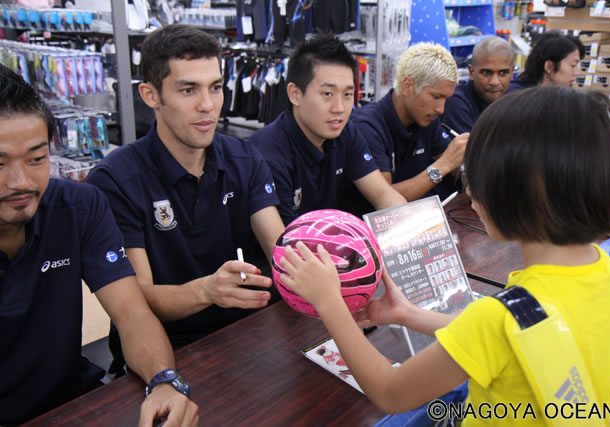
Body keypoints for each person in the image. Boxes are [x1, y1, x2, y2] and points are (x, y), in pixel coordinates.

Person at [277, 86, 610, 424]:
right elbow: (518, 339)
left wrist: (330, 303)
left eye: (477, 176)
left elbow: (390, 391)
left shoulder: (498, 317)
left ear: (518, 192)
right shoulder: (606, 272)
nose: (470, 192)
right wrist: (409, 314)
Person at [0, 65, 198, 425]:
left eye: (36, 159)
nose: (20, 181)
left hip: (75, 404)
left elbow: (132, 314)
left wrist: (164, 381)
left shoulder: (79, 207)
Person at [87, 25, 284, 370]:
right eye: (188, 90)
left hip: (247, 336)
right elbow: (136, 299)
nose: (207, 105)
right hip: (165, 352)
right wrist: (207, 290)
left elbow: (280, 247)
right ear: (150, 95)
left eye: (216, 87)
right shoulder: (115, 180)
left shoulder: (245, 158)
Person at [248, 34, 407, 225]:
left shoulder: (346, 133)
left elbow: (382, 193)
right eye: (327, 94)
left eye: (348, 94)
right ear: (295, 94)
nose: (339, 108)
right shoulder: (267, 155)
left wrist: (412, 229)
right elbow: (282, 239)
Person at [350, 42, 469, 203]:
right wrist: (443, 166)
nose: (441, 109)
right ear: (407, 86)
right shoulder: (367, 126)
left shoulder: (427, 118)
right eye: (436, 97)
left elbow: (455, 164)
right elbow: (383, 199)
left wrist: (467, 161)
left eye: (446, 99)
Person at [441, 36, 514, 133]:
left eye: (503, 73)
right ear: (471, 72)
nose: (495, 82)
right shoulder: (456, 102)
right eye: (486, 73)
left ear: (512, 73)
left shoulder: (515, 100)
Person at [509, 31, 584, 91]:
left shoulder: (559, 98)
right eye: (573, 65)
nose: (576, 73)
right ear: (549, 66)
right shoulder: (516, 96)